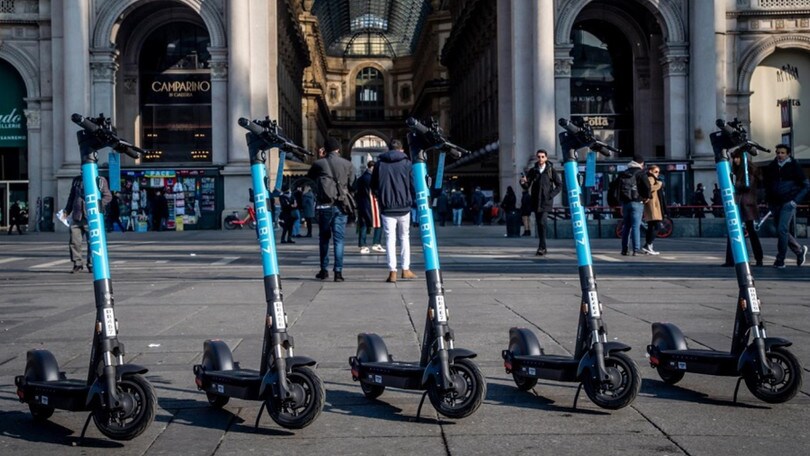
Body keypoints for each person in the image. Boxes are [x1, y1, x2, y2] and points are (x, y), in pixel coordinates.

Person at [307, 138, 355, 282]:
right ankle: (338, 273)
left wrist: (321, 158)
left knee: (324, 239)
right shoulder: (348, 164)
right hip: (341, 206)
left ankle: (323, 270)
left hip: (324, 205)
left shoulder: (319, 163)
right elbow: (353, 185)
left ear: (325, 149)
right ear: (338, 149)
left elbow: (310, 179)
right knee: (339, 240)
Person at [372, 139, 417, 283]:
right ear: (401, 150)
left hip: (386, 208)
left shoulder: (379, 164)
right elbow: (413, 184)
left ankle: (392, 272)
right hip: (404, 207)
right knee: (404, 237)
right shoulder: (407, 163)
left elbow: (373, 185)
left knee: (389, 239)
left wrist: (381, 197)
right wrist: (411, 199)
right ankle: (406, 269)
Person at [762, 144, 809, 268]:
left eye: (782, 153)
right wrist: (768, 201)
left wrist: (795, 201)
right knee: (781, 230)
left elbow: (806, 185)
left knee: (782, 229)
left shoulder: (794, 166)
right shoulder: (772, 167)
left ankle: (780, 260)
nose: (779, 155)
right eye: (778, 152)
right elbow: (767, 185)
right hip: (775, 203)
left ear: (788, 154)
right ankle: (799, 251)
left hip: (788, 203)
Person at [723, 153, 763, 267]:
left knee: (750, 232)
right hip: (741, 203)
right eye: (734, 158)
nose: (735, 160)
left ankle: (758, 258)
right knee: (735, 230)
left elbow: (747, 185)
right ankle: (731, 259)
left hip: (746, 204)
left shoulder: (748, 171)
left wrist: (735, 183)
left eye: (737, 157)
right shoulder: (738, 170)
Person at [64, 174, 111, 273]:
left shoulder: (99, 179)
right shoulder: (77, 180)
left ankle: (91, 264)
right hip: (77, 216)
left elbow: (107, 196)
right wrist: (67, 210)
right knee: (74, 241)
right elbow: (72, 196)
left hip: (92, 216)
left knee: (93, 242)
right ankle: (77, 263)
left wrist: (98, 205)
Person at [520, 149, 562, 256]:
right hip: (536, 201)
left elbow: (559, 185)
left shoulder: (551, 170)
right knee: (539, 224)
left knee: (542, 222)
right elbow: (527, 185)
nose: (540, 158)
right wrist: (522, 182)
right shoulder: (533, 170)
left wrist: (550, 195)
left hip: (546, 202)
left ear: (546, 158)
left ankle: (541, 247)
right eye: (539, 156)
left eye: (542, 156)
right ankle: (543, 247)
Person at [618, 154, 651, 256]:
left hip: (625, 203)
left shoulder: (624, 173)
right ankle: (636, 249)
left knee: (626, 226)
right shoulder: (641, 173)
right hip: (637, 202)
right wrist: (647, 197)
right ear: (641, 163)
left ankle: (624, 249)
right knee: (635, 226)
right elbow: (647, 187)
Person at [355, 160, 383, 253]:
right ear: (373, 168)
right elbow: (377, 190)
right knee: (378, 223)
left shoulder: (361, 177)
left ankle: (362, 245)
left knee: (363, 225)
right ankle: (376, 243)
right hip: (372, 203)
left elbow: (354, 188)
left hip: (362, 204)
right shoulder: (372, 178)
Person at [641, 165, 664, 255]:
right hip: (652, 206)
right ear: (650, 171)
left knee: (652, 226)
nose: (657, 174)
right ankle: (648, 245)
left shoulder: (652, 178)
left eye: (658, 172)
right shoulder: (651, 178)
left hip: (653, 205)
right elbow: (649, 189)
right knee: (656, 226)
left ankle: (648, 246)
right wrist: (659, 184)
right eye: (656, 171)